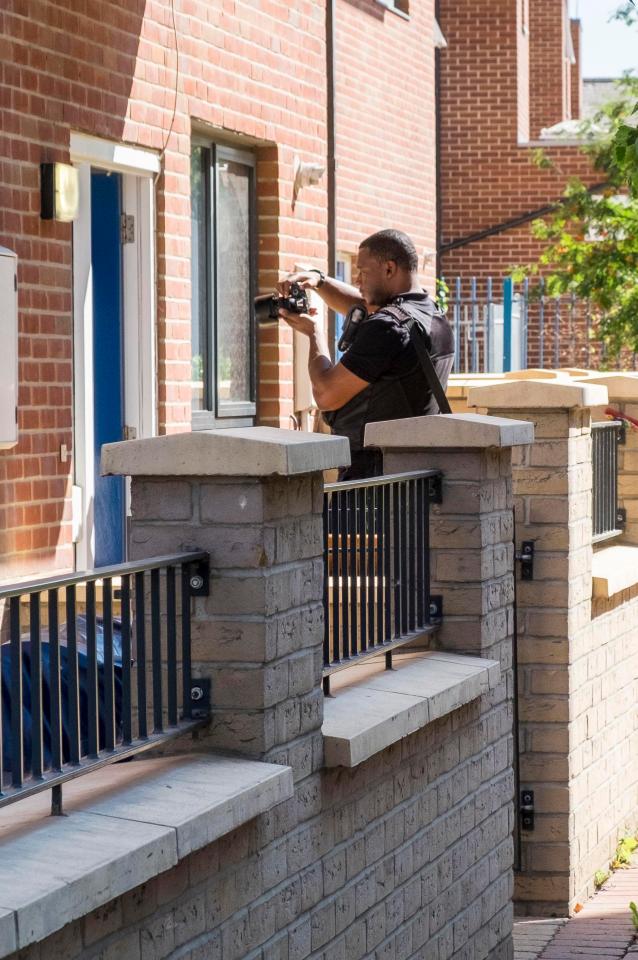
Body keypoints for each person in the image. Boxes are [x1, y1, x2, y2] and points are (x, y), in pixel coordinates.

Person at [277, 229, 455, 480]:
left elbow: (325, 394)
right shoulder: (430, 314)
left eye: (363, 272)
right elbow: (363, 305)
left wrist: (314, 333)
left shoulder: (386, 328)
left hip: (370, 481)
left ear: (389, 269)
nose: (358, 281)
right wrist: (319, 281)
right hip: (411, 470)